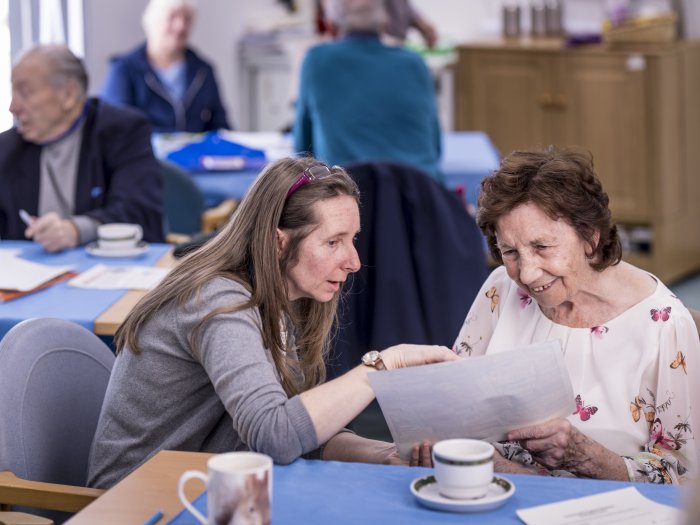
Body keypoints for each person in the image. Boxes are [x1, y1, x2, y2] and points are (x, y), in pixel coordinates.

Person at [87, 156, 456, 489]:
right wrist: (382, 366)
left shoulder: (285, 295)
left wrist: (386, 455)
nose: (353, 262)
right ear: (279, 243)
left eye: (353, 239)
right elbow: (275, 436)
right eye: (333, 242)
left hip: (209, 484)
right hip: (141, 501)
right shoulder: (220, 303)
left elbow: (300, 429)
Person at [454, 146, 700, 484]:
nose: (526, 274)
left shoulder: (665, 324)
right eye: (509, 252)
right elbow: (453, 403)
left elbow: (681, 475)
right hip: (491, 492)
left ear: (590, 236)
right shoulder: (501, 287)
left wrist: (589, 457)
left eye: (541, 247)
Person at [0, 45, 164, 252]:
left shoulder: (123, 131)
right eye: (12, 91)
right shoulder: (6, 149)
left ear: (68, 94)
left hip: (112, 271)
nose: (13, 107)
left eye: (25, 92)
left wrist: (75, 230)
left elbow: (139, 212)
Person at [294, 0, 442, 182]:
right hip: (420, 197)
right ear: (385, 23)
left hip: (345, 198)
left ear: (331, 25)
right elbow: (435, 148)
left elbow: (302, 151)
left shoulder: (316, 60)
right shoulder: (415, 63)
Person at [101, 0, 230, 133]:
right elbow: (113, 129)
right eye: (172, 17)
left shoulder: (204, 71)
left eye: (187, 19)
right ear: (152, 22)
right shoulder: (124, 70)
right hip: (142, 152)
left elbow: (221, 128)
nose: (180, 26)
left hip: (197, 153)